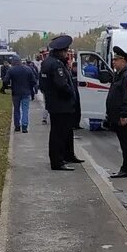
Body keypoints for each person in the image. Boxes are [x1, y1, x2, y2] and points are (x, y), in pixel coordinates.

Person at [38, 35, 81, 170]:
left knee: (66, 131)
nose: (66, 54)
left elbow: (42, 85)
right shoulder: (56, 65)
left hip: (56, 104)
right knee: (58, 134)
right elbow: (62, 85)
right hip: (61, 105)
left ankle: (68, 155)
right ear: (60, 51)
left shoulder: (48, 62)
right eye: (65, 51)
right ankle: (58, 161)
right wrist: (71, 94)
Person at [105, 46, 127, 178]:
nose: (114, 62)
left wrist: (124, 115)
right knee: (124, 143)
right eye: (113, 60)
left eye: (116, 60)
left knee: (126, 144)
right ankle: (126, 168)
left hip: (122, 116)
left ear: (123, 61)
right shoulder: (119, 75)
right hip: (116, 115)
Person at [2, 55, 38, 133]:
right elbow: (34, 81)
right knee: (25, 109)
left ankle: (17, 126)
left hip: (15, 93)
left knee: (16, 109)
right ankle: (24, 126)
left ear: (13, 62)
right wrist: (30, 87)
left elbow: (5, 80)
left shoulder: (11, 70)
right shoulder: (28, 69)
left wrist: (8, 86)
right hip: (26, 92)